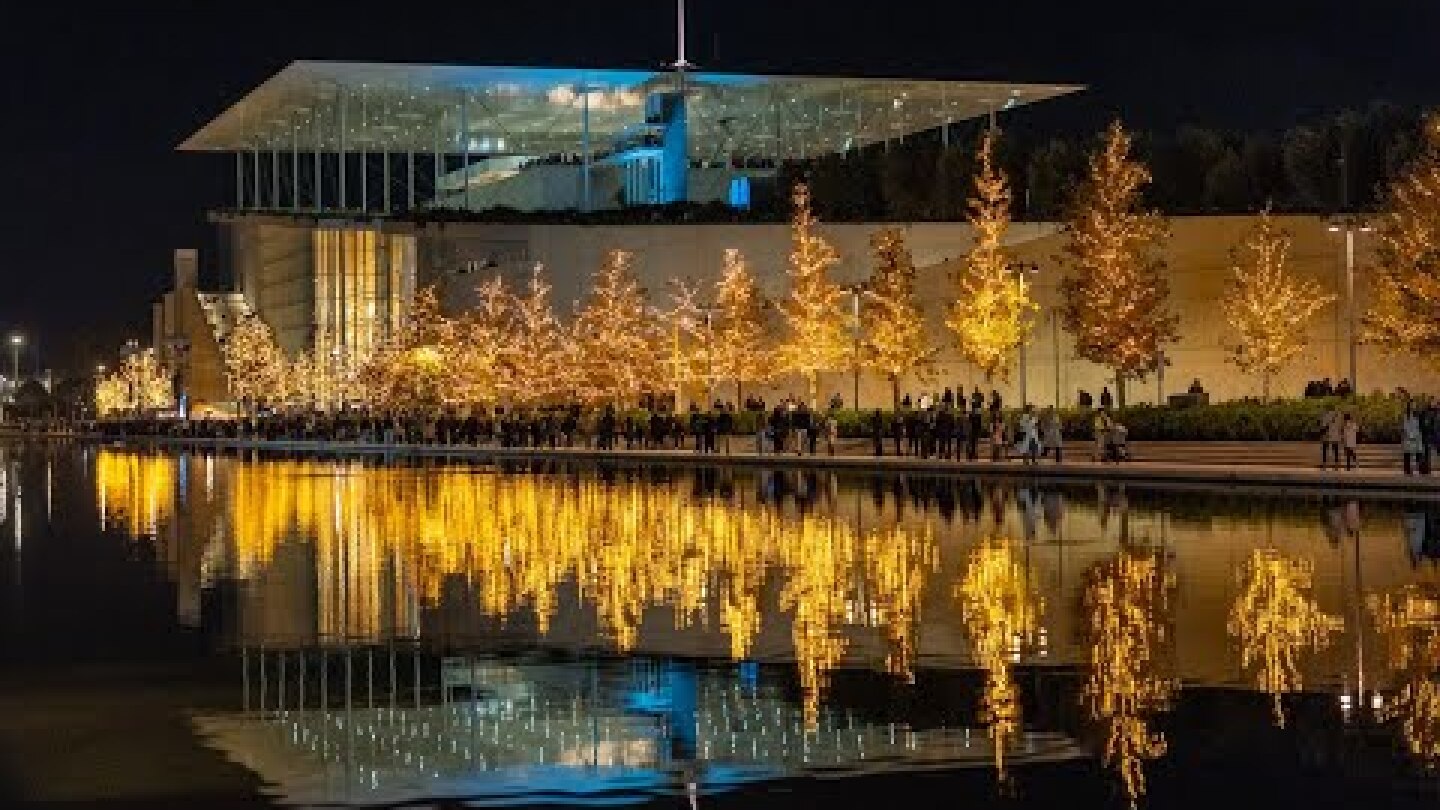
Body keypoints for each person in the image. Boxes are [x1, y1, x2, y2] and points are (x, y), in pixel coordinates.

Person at [1402, 403, 1424, 475]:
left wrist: (1418, 435)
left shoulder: (1418, 416)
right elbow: (1406, 427)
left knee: (1418, 454)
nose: (1413, 407)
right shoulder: (1406, 417)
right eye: (1412, 405)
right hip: (1409, 438)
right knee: (1408, 455)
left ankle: (1418, 469)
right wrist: (1410, 435)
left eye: (1414, 405)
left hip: (1417, 437)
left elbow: (1419, 427)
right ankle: (1408, 470)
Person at [1320, 404, 1342, 470]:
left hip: (1327, 435)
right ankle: (1336, 465)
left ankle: (1324, 464)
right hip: (1335, 435)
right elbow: (1340, 426)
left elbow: (1323, 426)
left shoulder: (1326, 416)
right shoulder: (1338, 415)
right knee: (1335, 450)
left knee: (1325, 450)